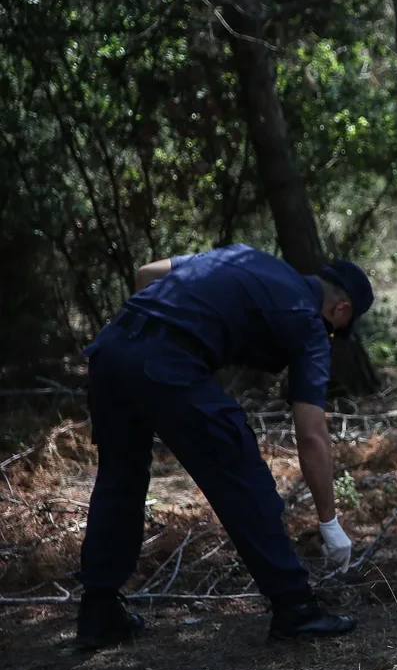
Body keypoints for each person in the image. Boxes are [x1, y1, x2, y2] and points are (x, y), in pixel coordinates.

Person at [74, 244, 375, 649]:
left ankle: (98, 612)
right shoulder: (308, 323)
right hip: (167, 362)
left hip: (111, 351)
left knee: (120, 477)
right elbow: (311, 435)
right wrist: (329, 523)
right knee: (242, 473)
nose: (332, 336)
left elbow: (147, 274)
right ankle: (295, 607)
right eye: (338, 330)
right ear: (339, 311)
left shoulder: (249, 256)